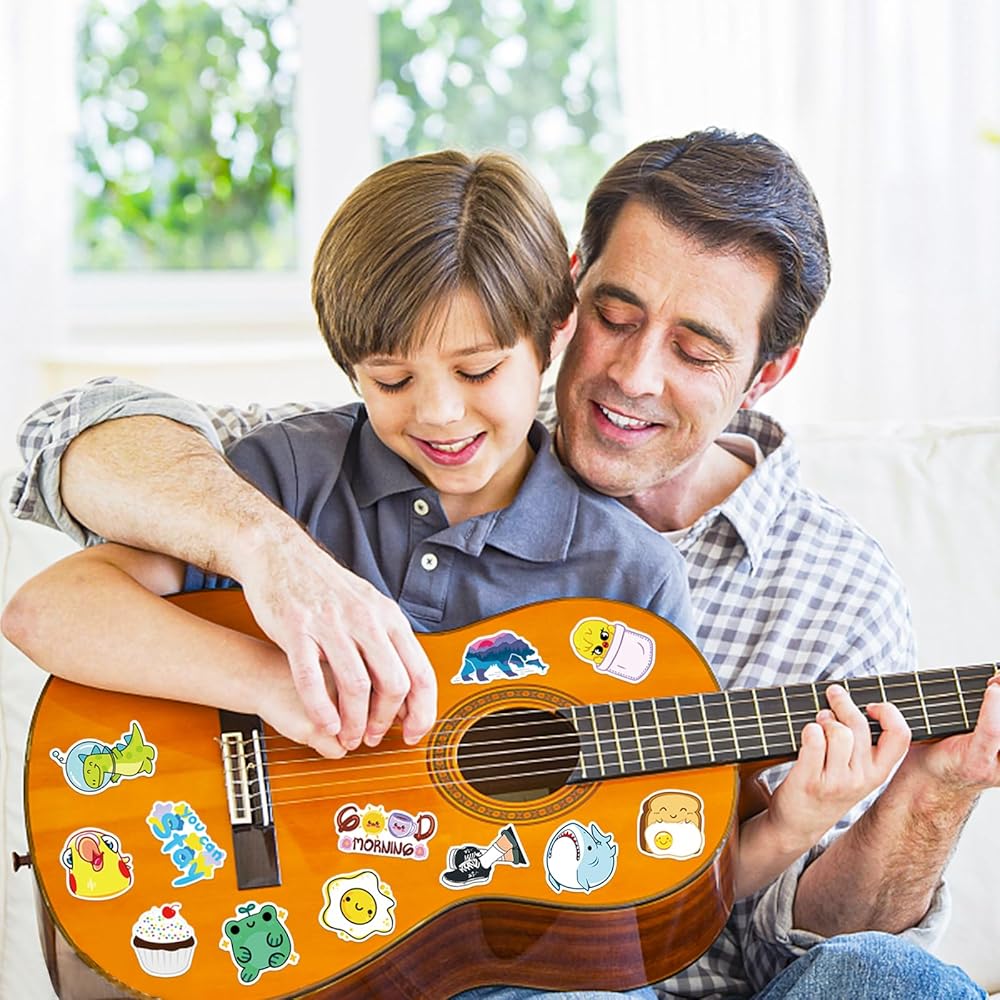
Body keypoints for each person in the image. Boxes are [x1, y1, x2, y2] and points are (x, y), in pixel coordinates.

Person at [6, 130, 995, 998]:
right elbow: (67, 469)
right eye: (617, 316)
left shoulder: (658, 578)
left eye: (696, 350)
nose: (634, 374)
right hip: (346, 939)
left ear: (767, 371)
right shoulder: (303, 465)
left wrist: (821, 814)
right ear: (569, 298)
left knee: (893, 982)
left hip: (591, 964)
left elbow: (697, 893)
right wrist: (274, 605)